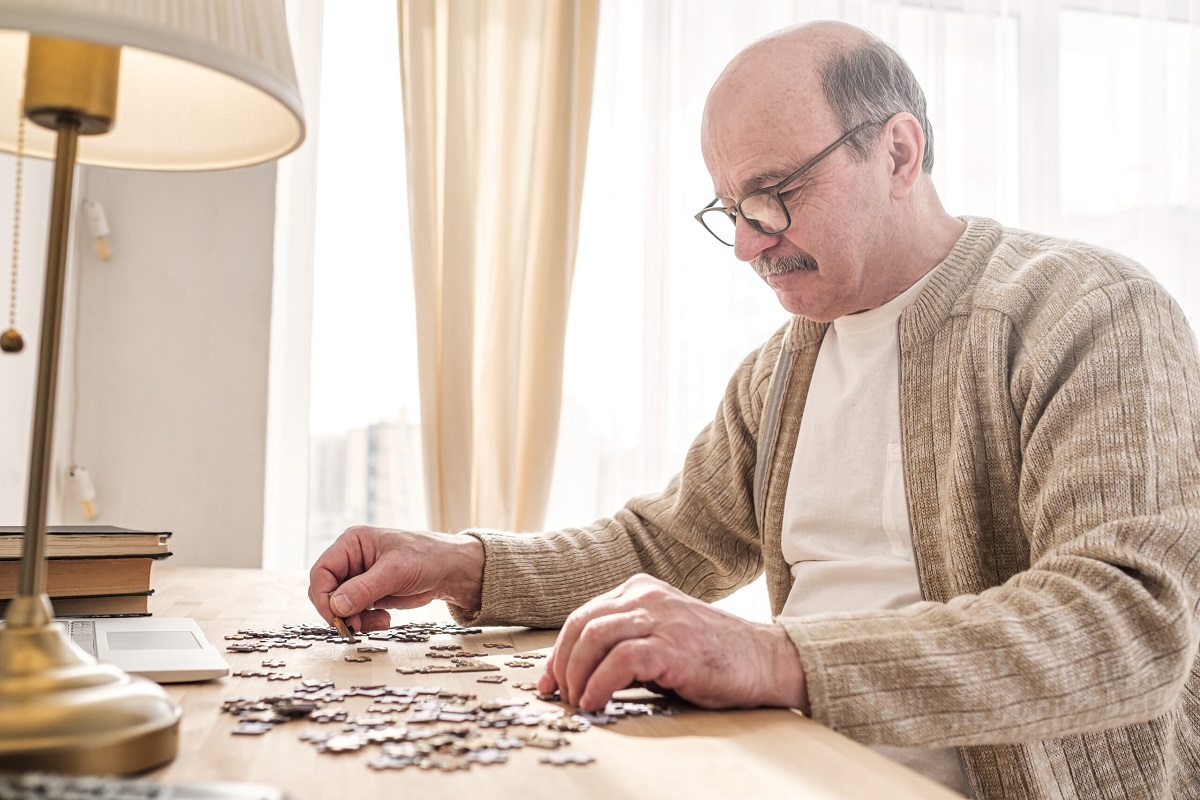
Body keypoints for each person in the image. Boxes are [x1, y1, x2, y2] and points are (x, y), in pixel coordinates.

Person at [308, 20, 1200, 798]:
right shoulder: (784, 367)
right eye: (730, 209)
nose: (744, 244)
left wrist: (772, 656)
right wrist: (460, 563)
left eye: (775, 194)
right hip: (781, 767)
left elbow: (1132, 618)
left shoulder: (1088, 311)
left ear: (898, 152)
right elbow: (664, 545)